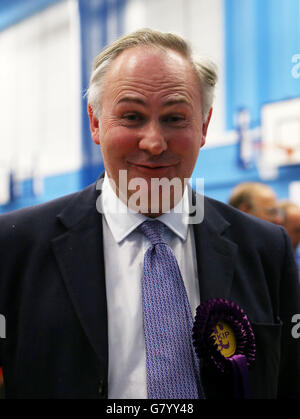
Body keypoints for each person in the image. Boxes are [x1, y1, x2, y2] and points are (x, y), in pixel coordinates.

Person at [0, 28, 299, 399]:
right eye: (131, 116)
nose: (154, 142)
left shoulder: (266, 249)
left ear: (204, 127)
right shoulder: (15, 247)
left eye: (175, 118)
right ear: (95, 122)